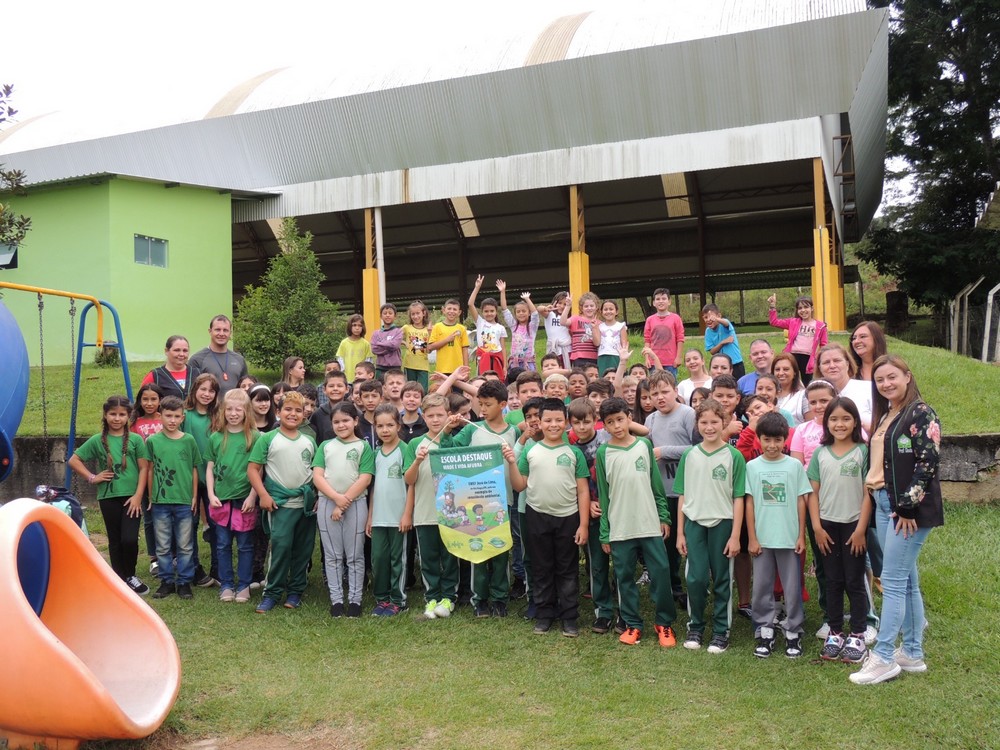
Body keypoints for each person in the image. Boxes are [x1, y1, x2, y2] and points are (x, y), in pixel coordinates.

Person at [851, 355, 944, 685]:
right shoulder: (888, 414)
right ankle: (913, 653)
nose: (886, 384)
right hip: (883, 501)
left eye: (892, 377)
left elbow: (927, 463)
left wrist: (907, 507)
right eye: (880, 380)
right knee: (905, 581)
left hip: (905, 510)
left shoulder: (920, 412)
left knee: (890, 580)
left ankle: (885, 656)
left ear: (907, 376)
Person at [595, 397, 677, 647]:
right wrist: (605, 532)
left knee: (661, 573)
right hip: (620, 527)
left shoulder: (643, 445)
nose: (617, 426)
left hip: (649, 522)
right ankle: (632, 624)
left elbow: (656, 485)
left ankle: (664, 623)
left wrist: (663, 515)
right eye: (611, 422)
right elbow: (604, 494)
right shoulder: (603, 453)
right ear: (605, 427)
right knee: (624, 577)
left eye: (620, 419)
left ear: (629, 417)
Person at [507, 398, 589, 637]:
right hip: (536, 516)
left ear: (566, 423)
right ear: (539, 423)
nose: (553, 425)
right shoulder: (531, 452)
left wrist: (583, 524)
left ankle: (569, 617)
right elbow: (519, 485)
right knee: (542, 567)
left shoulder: (573, 452)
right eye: (548, 420)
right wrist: (512, 463)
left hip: (568, 518)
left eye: (558, 420)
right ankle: (544, 614)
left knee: (567, 568)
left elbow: (582, 490)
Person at [674, 398, 746, 653]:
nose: (709, 427)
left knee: (722, 578)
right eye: (703, 422)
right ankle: (695, 626)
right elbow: (682, 494)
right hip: (694, 523)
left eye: (714, 422)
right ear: (697, 424)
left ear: (724, 422)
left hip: (723, 524)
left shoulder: (733, 456)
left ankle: (720, 630)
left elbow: (739, 497)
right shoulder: (690, 455)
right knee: (695, 578)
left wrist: (736, 535)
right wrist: (680, 532)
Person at [442, 379, 519, 617]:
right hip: (475, 500)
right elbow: (450, 451)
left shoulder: (513, 432)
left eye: (487, 404)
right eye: (480, 404)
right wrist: (446, 430)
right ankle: (479, 599)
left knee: (500, 551)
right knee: (479, 550)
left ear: (503, 404)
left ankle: (499, 598)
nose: (482, 409)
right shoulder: (472, 429)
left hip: (503, 500)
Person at [808, 397, 872, 663]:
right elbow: (812, 493)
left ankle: (858, 634)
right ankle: (835, 632)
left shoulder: (863, 451)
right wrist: (816, 527)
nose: (839, 423)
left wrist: (860, 530)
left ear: (855, 421)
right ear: (826, 423)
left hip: (854, 526)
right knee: (832, 581)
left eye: (846, 418)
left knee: (854, 581)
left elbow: (869, 494)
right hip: (826, 526)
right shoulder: (820, 454)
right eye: (834, 419)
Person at [68, 395, 149, 595]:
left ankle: (130, 575)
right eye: (112, 414)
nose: (117, 418)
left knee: (129, 539)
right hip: (108, 497)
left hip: (132, 497)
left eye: (122, 414)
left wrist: (139, 495)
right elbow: (74, 460)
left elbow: (144, 468)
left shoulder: (136, 440)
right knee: (114, 540)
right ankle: (119, 579)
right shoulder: (97, 441)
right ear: (105, 415)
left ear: (128, 417)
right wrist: (92, 477)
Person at [745, 413, 811, 659]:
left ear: (785, 440)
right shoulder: (752, 467)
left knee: (792, 587)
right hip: (762, 539)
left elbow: (801, 500)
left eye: (777, 440)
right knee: (761, 587)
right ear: (759, 439)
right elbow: (749, 503)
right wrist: (752, 537)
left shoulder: (794, 466)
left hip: (788, 537)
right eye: (766, 440)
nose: (772, 445)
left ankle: (793, 630)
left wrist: (800, 535)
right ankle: (764, 629)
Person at [247, 390, 317, 613]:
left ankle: (296, 590)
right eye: (288, 409)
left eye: (298, 410)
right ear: (278, 412)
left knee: (302, 550)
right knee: (280, 548)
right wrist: (264, 495)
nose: (293, 414)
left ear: (304, 414)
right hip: (280, 505)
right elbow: (253, 470)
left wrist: (314, 496)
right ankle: (272, 592)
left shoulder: (309, 440)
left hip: (305, 506)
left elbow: (315, 471)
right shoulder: (268, 438)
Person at [311, 401, 374, 618]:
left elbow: (365, 478)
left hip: (355, 504)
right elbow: (317, 476)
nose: (341, 425)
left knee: (355, 555)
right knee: (332, 555)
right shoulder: (325, 446)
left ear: (356, 421)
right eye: (336, 422)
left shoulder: (363, 447)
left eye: (346, 420)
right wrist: (336, 499)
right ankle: (336, 600)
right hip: (328, 503)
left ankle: (355, 600)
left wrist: (344, 500)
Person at [404, 393, 461, 620]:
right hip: (425, 511)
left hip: (450, 512)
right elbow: (409, 480)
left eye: (440, 415)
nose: (436, 420)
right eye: (430, 416)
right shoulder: (415, 444)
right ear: (423, 417)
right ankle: (432, 598)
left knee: (449, 557)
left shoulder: (453, 441)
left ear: (448, 415)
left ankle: (449, 598)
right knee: (428, 558)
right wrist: (417, 460)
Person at [644, 370, 695, 606]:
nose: (660, 397)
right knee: (666, 543)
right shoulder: (650, 420)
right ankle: (672, 588)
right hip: (661, 492)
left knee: (686, 542)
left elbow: (698, 449)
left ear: (676, 391)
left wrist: (665, 452)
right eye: (655, 394)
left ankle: (695, 587)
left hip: (686, 491)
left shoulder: (688, 414)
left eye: (665, 391)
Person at [144, 395, 202, 600]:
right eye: (168, 416)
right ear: (160, 416)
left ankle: (185, 581)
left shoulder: (189, 440)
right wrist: (151, 496)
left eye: (177, 416)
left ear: (183, 417)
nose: (172, 420)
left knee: (185, 544)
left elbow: (194, 469)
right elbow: (149, 470)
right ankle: (166, 580)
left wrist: (195, 496)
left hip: (184, 501)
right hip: (160, 501)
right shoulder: (152, 441)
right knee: (163, 544)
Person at [566, 398, 615, 633]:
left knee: (618, 561)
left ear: (596, 421)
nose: (582, 427)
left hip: (612, 508)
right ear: (570, 424)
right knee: (596, 564)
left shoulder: (607, 440)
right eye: (577, 423)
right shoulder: (568, 446)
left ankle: (623, 610)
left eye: (587, 422)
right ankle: (603, 611)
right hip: (585, 511)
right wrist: (587, 507)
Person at [205, 389, 258, 604]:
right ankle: (227, 584)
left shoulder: (255, 437)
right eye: (229, 409)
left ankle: (244, 584)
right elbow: (209, 467)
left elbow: (259, 469)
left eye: (239, 409)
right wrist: (210, 494)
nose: (234, 413)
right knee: (222, 544)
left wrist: (253, 496)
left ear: (246, 412)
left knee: (245, 545)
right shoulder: (216, 437)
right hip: (221, 500)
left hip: (244, 500)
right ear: (223, 411)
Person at [366, 404, 410, 616]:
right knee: (379, 559)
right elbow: (374, 488)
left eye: (390, 425)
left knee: (397, 559)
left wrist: (406, 514)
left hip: (398, 517)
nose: (385, 430)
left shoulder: (405, 449)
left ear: (398, 425)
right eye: (380, 426)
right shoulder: (375, 453)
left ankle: (397, 599)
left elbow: (411, 485)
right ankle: (381, 598)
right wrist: (370, 516)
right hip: (378, 518)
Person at [183, 373, 222, 588]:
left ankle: (218, 569)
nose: (206, 394)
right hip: (188, 478)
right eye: (203, 389)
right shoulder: (185, 415)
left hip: (213, 480)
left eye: (211, 390)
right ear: (194, 390)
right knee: (189, 524)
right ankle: (193, 570)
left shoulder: (219, 416)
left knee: (216, 526)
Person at [130, 383, 164, 574]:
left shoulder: (168, 418)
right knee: (150, 517)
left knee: (170, 516)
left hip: (167, 475)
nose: (149, 403)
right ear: (139, 401)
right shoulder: (136, 423)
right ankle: (154, 557)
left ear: (160, 400)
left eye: (153, 399)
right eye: (145, 399)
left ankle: (172, 554)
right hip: (144, 475)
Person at [767, 294, 828, 383]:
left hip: (808, 359)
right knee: (790, 380)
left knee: (807, 382)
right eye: (800, 308)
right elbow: (774, 322)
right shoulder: (793, 322)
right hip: (792, 356)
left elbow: (824, 344)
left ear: (812, 308)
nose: (803, 310)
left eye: (806, 307)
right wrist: (772, 306)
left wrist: (819, 358)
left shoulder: (820, 326)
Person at [814, 343, 873, 432]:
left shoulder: (869, 388)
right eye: (826, 362)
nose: (832, 366)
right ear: (820, 368)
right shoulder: (815, 397)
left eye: (837, 360)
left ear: (847, 364)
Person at [188, 314, 248, 393]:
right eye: (217, 330)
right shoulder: (197, 359)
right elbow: (192, 391)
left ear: (230, 333)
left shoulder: (239, 360)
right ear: (210, 331)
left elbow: (245, 387)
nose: (221, 334)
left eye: (225, 330)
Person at [467, 276, 507, 375]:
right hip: (482, 359)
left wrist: (505, 366)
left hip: (497, 359)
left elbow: (503, 348)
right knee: (482, 382)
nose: (489, 313)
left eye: (492, 311)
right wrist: (477, 287)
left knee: (496, 382)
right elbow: (470, 304)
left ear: (496, 312)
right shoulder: (480, 322)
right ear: (482, 312)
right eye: (486, 311)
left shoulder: (500, 328)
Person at [499, 281, 539, 373]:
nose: (521, 313)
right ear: (515, 314)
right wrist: (502, 292)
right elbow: (504, 309)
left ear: (529, 313)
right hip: (515, 363)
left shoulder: (532, 327)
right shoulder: (514, 326)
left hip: (528, 363)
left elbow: (535, 314)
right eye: (518, 312)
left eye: (524, 311)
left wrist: (527, 299)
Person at [643, 287, 685, 376]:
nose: (661, 301)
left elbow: (680, 339)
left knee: (670, 384)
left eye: (664, 298)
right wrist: (647, 359)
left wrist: (678, 357)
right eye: (657, 299)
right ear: (654, 303)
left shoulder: (676, 318)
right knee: (655, 385)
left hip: (670, 362)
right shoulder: (649, 320)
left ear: (669, 301)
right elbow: (647, 340)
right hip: (653, 361)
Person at [142, 335, 197, 400]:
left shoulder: (197, 373)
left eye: (185, 350)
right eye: (177, 350)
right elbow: (142, 400)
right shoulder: (155, 376)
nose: (182, 354)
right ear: (166, 351)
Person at [427, 298, 470, 376]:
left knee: (458, 388)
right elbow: (430, 347)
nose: (452, 311)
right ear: (443, 310)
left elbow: (465, 350)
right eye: (449, 308)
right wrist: (447, 340)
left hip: (458, 370)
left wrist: (466, 370)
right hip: (442, 370)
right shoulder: (437, 327)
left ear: (459, 312)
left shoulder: (462, 329)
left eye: (455, 309)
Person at [702, 303, 745, 380]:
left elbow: (726, 323)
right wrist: (722, 342)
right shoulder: (708, 331)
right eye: (705, 317)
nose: (709, 320)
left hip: (735, 363)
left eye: (711, 317)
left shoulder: (724, 324)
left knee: (739, 387)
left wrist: (716, 319)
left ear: (719, 316)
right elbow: (712, 351)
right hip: (721, 367)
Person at [560, 292, 601, 369]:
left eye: (592, 306)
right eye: (586, 306)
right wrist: (568, 306)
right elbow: (562, 322)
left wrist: (595, 328)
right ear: (581, 308)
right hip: (579, 357)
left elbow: (597, 343)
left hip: (594, 357)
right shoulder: (575, 319)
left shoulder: (599, 323)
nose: (589, 308)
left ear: (596, 307)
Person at [537, 291, 572, 369]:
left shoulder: (570, 317)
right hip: (553, 350)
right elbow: (539, 309)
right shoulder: (550, 314)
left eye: (565, 304)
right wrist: (545, 308)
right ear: (555, 302)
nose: (562, 306)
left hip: (567, 350)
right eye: (559, 303)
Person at [402, 301, 431, 389]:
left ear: (424, 313)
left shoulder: (428, 329)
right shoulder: (407, 328)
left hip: (423, 365)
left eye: (418, 313)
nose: (415, 316)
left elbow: (430, 349)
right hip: (409, 364)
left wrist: (430, 333)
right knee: (409, 388)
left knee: (423, 389)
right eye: (413, 314)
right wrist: (403, 342)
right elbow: (395, 337)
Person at [771, 353, 807, 425]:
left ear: (794, 373)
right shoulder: (768, 395)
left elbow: (811, 425)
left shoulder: (803, 396)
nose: (781, 373)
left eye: (786, 369)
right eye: (777, 369)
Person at [370, 303, 404, 379]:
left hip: (395, 367)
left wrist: (380, 344)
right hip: (380, 367)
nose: (387, 315)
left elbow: (395, 345)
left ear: (395, 316)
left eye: (390, 313)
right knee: (380, 389)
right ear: (381, 316)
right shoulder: (376, 333)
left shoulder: (398, 331)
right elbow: (374, 349)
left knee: (395, 388)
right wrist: (389, 347)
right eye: (385, 313)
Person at [337, 314, 374, 383]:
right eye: (354, 325)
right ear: (350, 326)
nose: (357, 328)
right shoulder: (344, 343)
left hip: (362, 380)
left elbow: (369, 361)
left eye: (360, 325)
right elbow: (340, 359)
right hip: (347, 379)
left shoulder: (366, 344)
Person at [598, 299, 628, 376]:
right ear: (601, 312)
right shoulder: (599, 326)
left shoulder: (621, 326)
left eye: (611, 309)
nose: (608, 311)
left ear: (616, 311)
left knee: (617, 377)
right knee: (603, 377)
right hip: (602, 356)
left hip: (616, 356)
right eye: (605, 309)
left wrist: (624, 361)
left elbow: (624, 344)